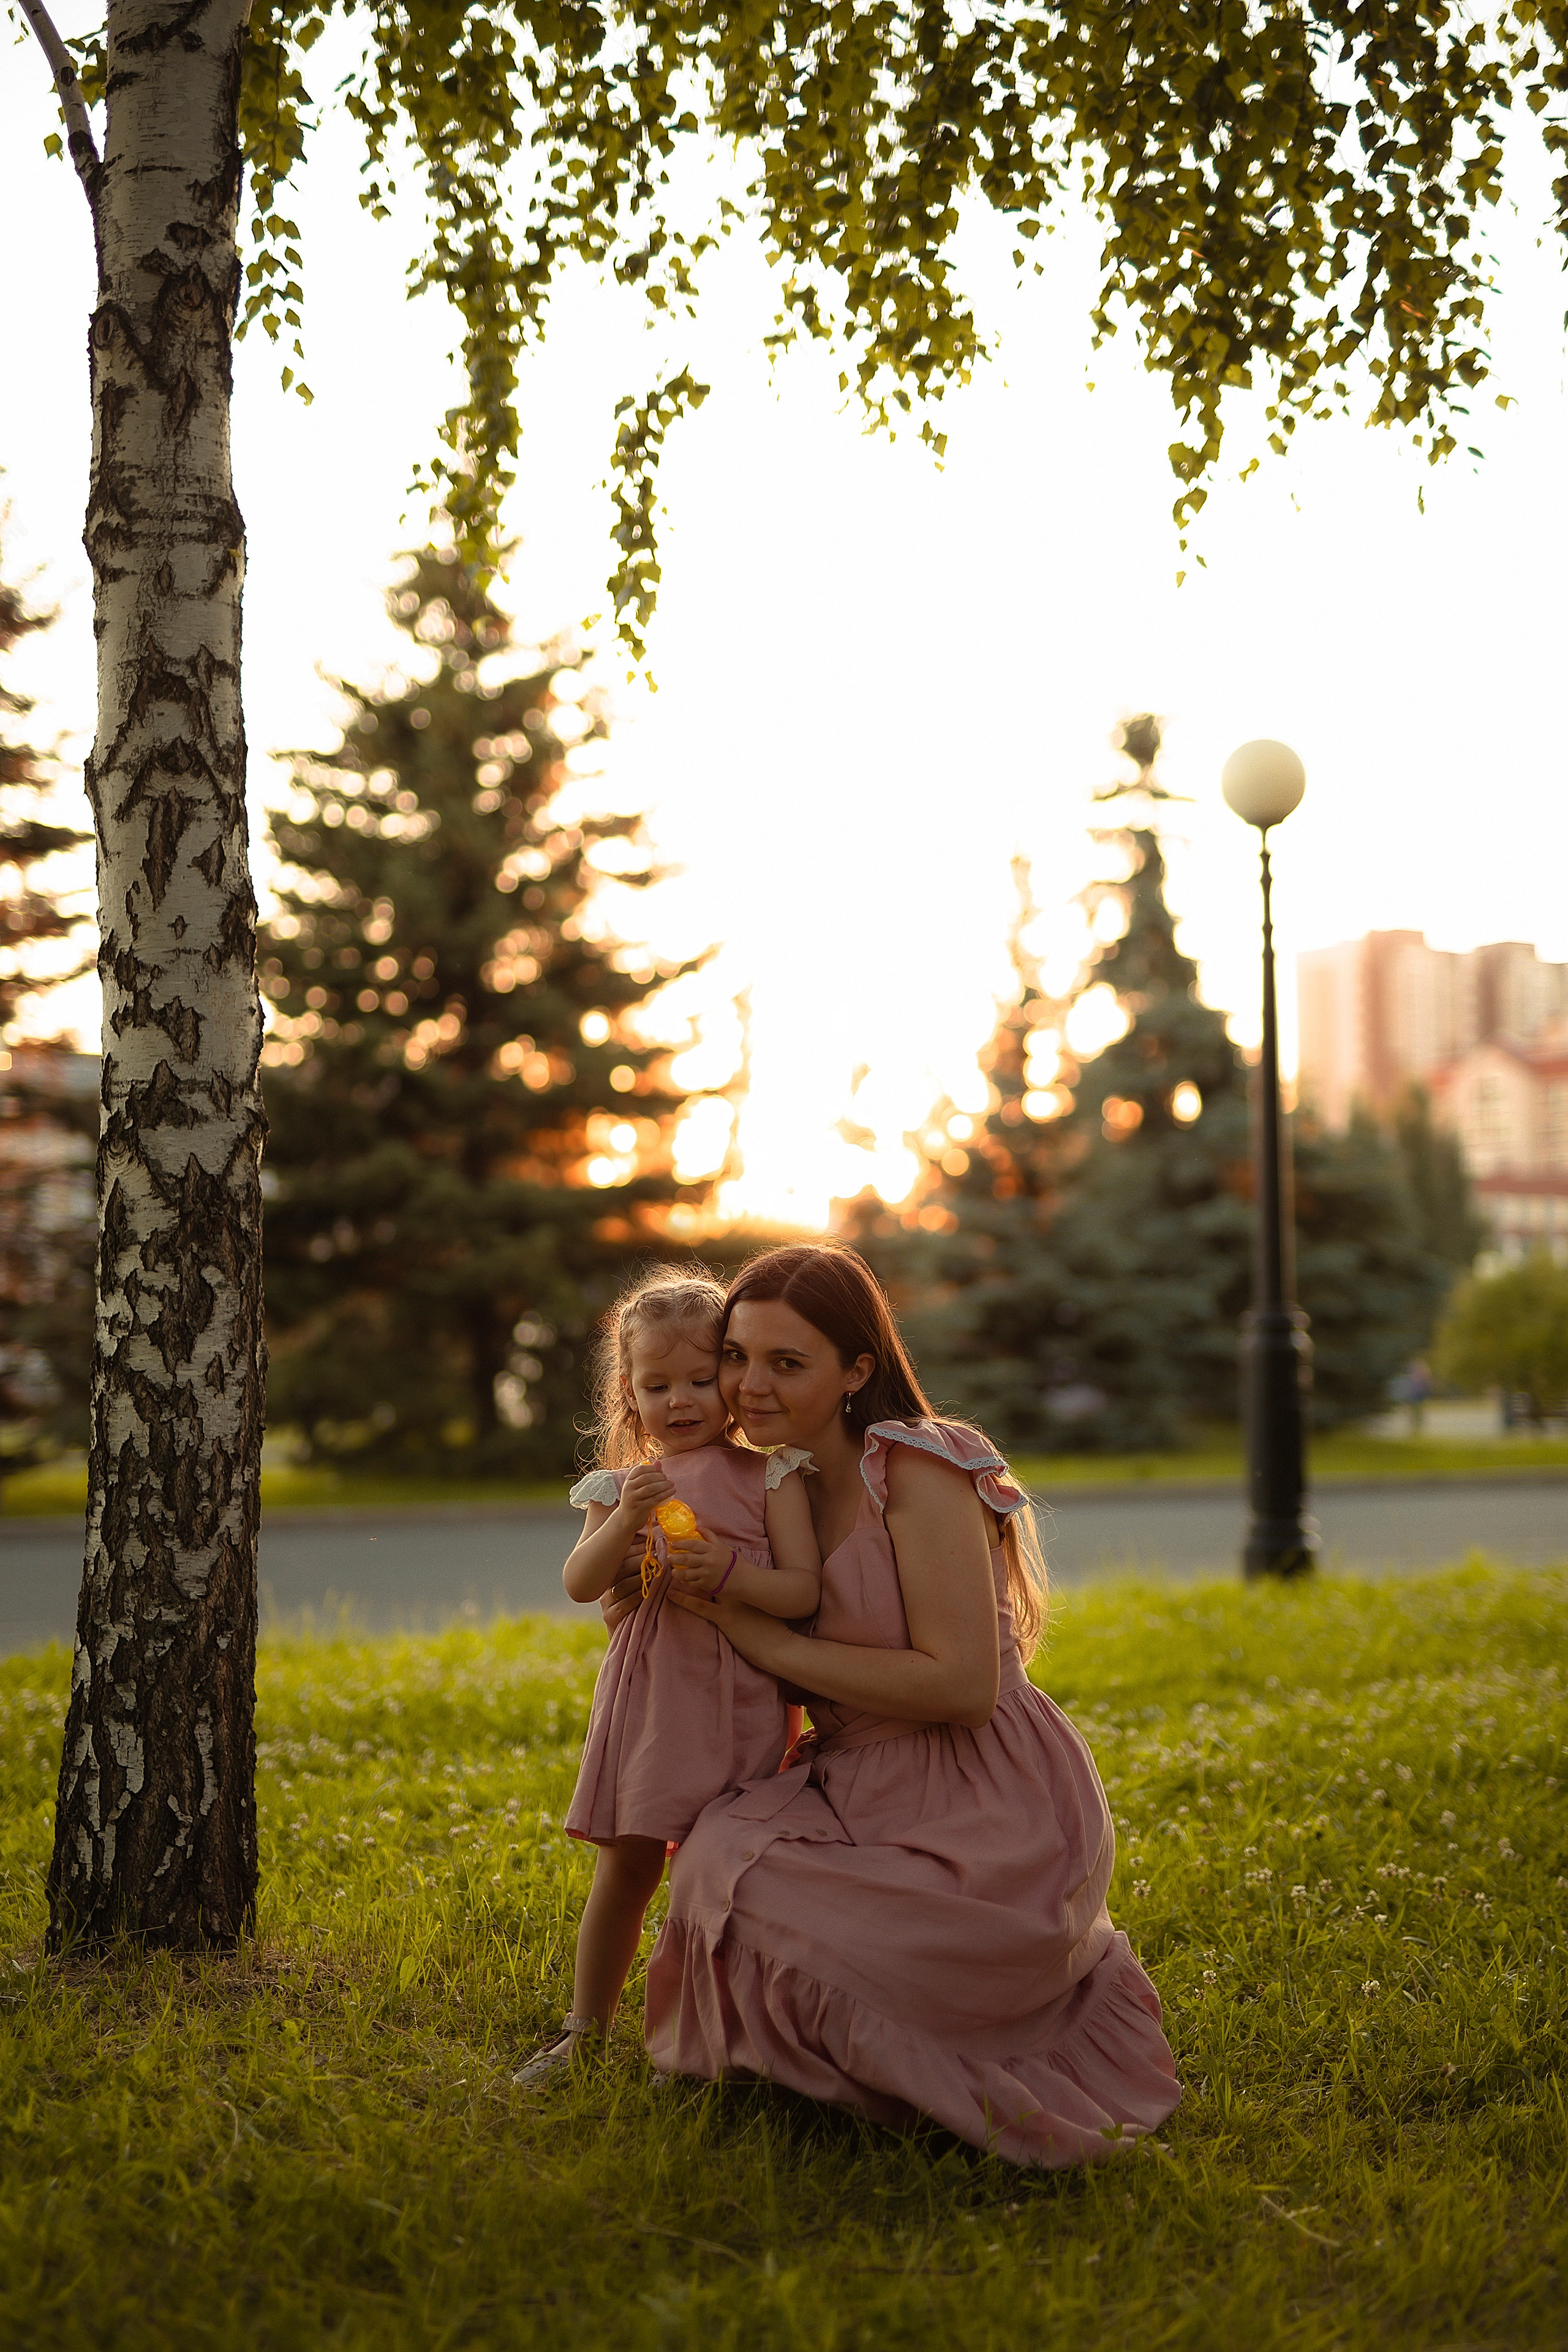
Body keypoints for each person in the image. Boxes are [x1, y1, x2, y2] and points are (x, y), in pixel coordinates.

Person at [638, 1241, 1182, 2167]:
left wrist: (775, 1645)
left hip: (988, 1802)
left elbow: (963, 1690)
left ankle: (962, 2028)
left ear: (858, 1370)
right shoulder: (776, 1487)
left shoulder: (918, 1468)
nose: (749, 1386)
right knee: (717, 1862)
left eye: (787, 1362)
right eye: (736, 1356)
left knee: (900, 1950)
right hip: (854, 1777)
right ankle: (817, 2046)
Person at [515, 1270, 821, 2084]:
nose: (680, 1401)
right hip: (653, 1706)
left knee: (712, 1874)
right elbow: (583, 1584)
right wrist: (623, 1520)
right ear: (628, 1392)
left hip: (738, 1702)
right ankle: (585, 2029)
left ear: (729, 1380)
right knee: (629, 1866)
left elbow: (803, 1590)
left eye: (697, 1379)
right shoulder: (619, 1486)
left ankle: (698, 2037)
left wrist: (728, 1571)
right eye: (657, 1385)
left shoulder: (773, 1477)